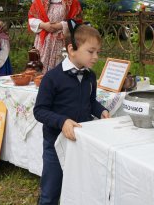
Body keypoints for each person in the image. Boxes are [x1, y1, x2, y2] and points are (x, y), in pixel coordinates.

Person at [33, 21, 110, 205]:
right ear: (71, 49)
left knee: (79, 186)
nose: (96, 57)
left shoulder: (90, 76)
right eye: (91, 51)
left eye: (98, 52)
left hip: (80, 142)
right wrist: (62, 121)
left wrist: (102, 111)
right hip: (55, 142)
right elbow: (39, 111)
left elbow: (90, 102)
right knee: (51, 190)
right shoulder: (52, 78)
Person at [28, 0, 82, 74]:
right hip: (43, 43)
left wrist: (60, 25)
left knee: (60, 70)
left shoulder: (72, 1)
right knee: (40, 69)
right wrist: (43, 25)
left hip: (61, 42)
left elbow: (77, 22)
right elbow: (31, 18)